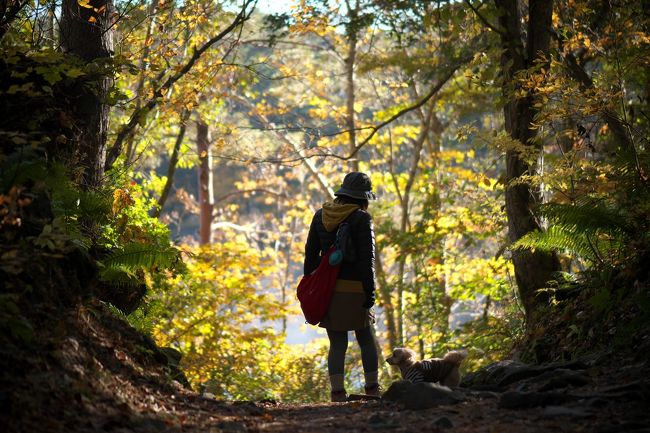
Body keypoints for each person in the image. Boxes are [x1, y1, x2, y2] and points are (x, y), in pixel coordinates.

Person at [303, 171, 379, 402]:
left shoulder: (320, 216)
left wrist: (312, 285)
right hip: (355, 289)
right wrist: (370, 291)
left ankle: (337, 393)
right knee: (366, 339)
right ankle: (372, 389)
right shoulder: (362, 219)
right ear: (363, 198)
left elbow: (310, 253)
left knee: (337, 344)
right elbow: (367, 259)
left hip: (328, 290)